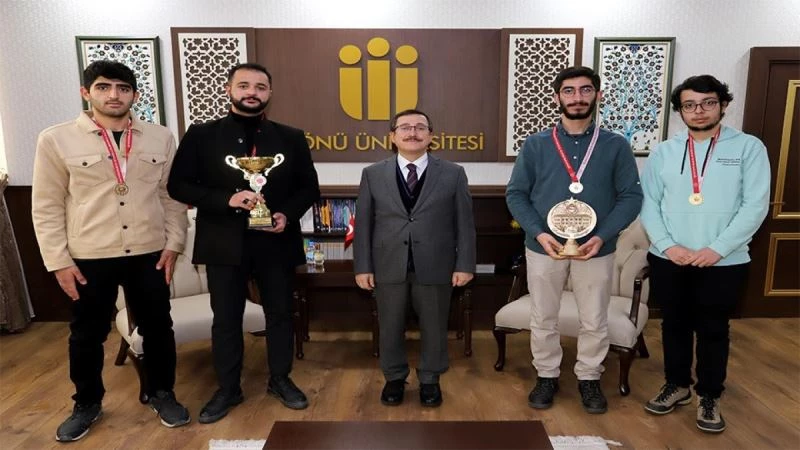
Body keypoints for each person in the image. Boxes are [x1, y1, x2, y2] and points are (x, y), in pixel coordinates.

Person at [32, 60, 190, 442]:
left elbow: (171, 197)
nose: (114, 95)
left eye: (122, 88)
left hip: (149, 252)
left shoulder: (160, 137)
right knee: (86, 334)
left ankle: (162, 393)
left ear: (135, 94)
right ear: (86, 93)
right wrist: (58, 262)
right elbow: (46, 205)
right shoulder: (56, 139)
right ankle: (87, 403)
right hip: (90, 255)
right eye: (103, 87)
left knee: (158, 327)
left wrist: (174, 243)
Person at [167, 62, 320, 424]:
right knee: (226, 318)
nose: (252, 92)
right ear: (229, 89)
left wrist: (285, 214)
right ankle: (228, 388)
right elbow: (178, 186)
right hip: (224, 243)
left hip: (275, 242)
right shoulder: (201, 135)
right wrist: (227, 199)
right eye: (244, 85)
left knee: (280, 314)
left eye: (260, 87)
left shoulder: (291, 137)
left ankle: (280, 379)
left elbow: (308, 188)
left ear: (270, 93)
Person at [506, 66, 642, 414]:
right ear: (557, 97)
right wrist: (539, 233)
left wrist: (602, 236)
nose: (577, 97)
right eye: (569, 91)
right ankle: (547, 374)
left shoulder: (615, 145)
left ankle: (589, 377)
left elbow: (631, 197)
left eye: (585, 90)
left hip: (596, 249)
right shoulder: (535, 145)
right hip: (544, 248)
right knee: (543, 316)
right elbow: (516, 194)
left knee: (594, 318)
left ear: (598, 95)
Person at [640, 75, 769, 433]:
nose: (699, 111)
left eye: (708, 102)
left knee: (713, 330)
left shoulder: (748, 148)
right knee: (673, 326)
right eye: (689, 105)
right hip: (670, 258)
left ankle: (709, 395)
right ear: (680, 111)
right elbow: (649, 204)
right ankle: (677, 385)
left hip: (724, 261)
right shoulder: (663, 152)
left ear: (723, 105)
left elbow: (755, 205)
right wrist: (668, 246)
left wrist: (717, 249)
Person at [353, 109, 476, 407]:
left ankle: (430, 380)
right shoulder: (373, 174)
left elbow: (465, 223)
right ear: (392, 136)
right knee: (390, 326)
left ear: (431, 136)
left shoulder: (453, 173)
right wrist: (363, 266)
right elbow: (364, 224)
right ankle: (394, 378)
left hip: (436, 265)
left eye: (420, 127)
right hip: (387, 265)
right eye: (405, 127)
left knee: (435, 327)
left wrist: (465, 264)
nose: (412, 132)